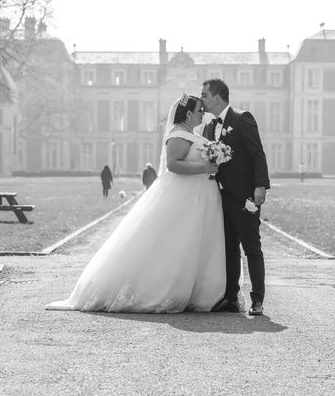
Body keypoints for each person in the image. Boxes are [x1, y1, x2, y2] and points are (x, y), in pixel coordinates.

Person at [46, 94, 224, 313]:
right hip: (185, 194)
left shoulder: (190, 133)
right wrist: (204, 169)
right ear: (188, 113)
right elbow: (173, 165)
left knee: (193, 242)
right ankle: (165, 290)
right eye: (199, 111)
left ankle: (195, 291)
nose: (202, 114)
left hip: (199, 195)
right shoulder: (178, 134)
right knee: (177, 241)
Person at [201, 78, 270, 317]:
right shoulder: (210, 128)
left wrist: (260, 186)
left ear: (217, 97)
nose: (202, 100)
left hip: (244, 197)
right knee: (229, 248)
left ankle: (258, 300)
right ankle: (231, 297)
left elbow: (257, 154)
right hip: (220, 197)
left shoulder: (243, 119)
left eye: (205, 96)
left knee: (252, 248)